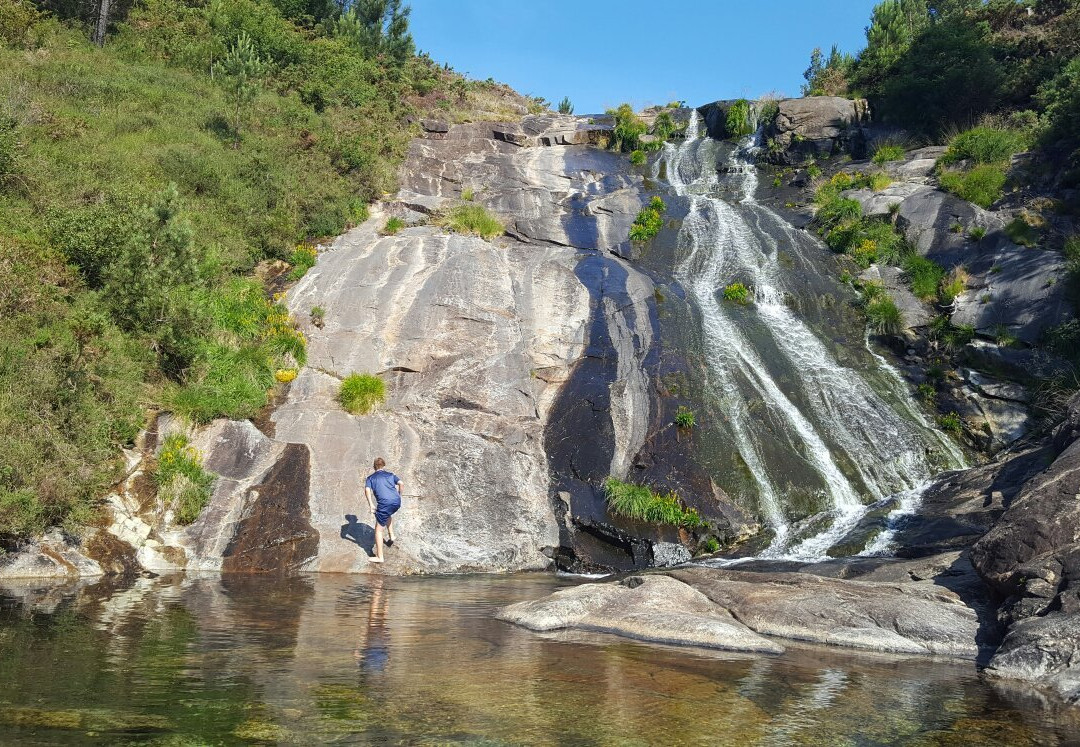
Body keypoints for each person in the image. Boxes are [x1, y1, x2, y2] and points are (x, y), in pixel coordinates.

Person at [364, 457, 402, 564]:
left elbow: (367, 490)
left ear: (374, 466)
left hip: (384, 504)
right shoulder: (391, 475)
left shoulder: (370, 478)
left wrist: (371, 504)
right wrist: (399, 495)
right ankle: (392, 535)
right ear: (384, 466)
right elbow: (401, 483)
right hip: (396, 502)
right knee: (387, 514)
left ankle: (380, 557)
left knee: (378, 531)